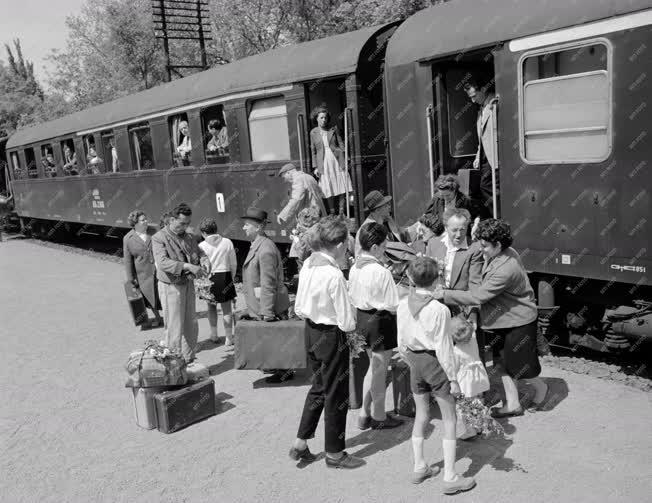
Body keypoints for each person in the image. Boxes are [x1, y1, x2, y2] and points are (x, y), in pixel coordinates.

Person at [434, 219, 548, 417]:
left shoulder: (506, 269)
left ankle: (541, 388)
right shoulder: (504, 252)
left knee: (519, 368)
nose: (481, 249)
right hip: (504, 319)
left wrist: (444, 294)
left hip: (517, 321)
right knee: (501, 363)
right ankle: (513, 404)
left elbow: (477, 296)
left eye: (485, 246)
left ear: (498, 245)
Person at [290, 216, 364, 470]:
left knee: (319, 388)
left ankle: (301, 442)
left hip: (310, 331)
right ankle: (334, 452)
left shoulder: (308, 263)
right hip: (332, 336)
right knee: (336, 394)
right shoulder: (333, 274)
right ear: (341, 244)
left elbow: (299, 307)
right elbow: (346, 320)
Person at [397, 257, 475, 493]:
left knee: (422, 414)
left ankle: (420, 466)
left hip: (413, 360)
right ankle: (450, 477)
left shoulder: (403, 303)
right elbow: (443, 347)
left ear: (410, 278)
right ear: (438, 279)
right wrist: (452, 379)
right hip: (434, 362)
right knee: (449, 418)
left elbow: (400, 339)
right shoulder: (439, 309)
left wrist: (408, 358)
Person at [349, 222, 403, 430]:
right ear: (374, 248)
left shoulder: (355, 267)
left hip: (363, 318)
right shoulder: (381, 272)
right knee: (379, 371)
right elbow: (392, 304)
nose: (385, 249)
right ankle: (379, 416)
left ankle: (364, 413)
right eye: (383, 246)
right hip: (381, 321)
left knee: (373, 369)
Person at [241, 206, 293, 383]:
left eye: (247, 225)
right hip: (265, 301)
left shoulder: (265, 249)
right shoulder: (259, 244)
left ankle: (284, 371)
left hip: (272, 303)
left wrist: (268, 311)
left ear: (258, 227)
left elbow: (268, 282)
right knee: (274, 339)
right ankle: (277, 367)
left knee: (277, 339)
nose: (244, 228)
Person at [426, 207, 485, 360]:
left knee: (469, 358)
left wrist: (473, 315)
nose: (458, 235)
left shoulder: (474, 249)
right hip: (439, 309)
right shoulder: (433, 244)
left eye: (463, 229)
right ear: (446, 228)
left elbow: (475, 287)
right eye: (454, 230)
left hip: (462, 311)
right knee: (443, 356)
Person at [152, 203, 206, 363]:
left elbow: (199, 251)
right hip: (170, 287)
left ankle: (189, 359)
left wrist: (204, 259)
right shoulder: (158, 238)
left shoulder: (188, 236)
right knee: (174, 327)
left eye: (188, 223)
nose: (185, 227)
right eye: (182, 223)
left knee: (191, 324)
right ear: (171, 220)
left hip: (187, 284)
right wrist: (187, 266)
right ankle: (173, 364)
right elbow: (162, 262)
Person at [198, 217, 237, 345]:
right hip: (225, 276)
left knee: (211, 307)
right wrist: (232, 277)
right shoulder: (227, 242)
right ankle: (229, 338)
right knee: (227, 309)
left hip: (209, 278)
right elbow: (233, 263)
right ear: (216, 229)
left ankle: (214, 334)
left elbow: (201, 266)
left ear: (203, 233)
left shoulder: (201, 245)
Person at [451, 317, 490, 440]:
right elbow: (473, 324)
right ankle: (479, 426)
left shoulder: (455, 350)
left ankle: (470, 430)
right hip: (478, 376)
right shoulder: (473, 339)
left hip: (465, 382)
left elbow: (455, 368)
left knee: (465, 406)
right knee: (477, 401)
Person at [464, 79, 500, 213]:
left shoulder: (494, 103)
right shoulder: (481, 109)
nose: (472, 101)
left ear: (483, 89)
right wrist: (478, 156)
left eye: (474, 96)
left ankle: (499, 216)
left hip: (495, 155)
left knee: (487, 186)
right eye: (470, 97)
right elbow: (483, 137)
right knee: (485, 187)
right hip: (485, 157)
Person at [309, 106, 353, 215]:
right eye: (321, 118)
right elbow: (313, 151)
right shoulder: (313, 132)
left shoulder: (333, 129)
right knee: (328, 187)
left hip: (336, 160)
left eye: (325, 118)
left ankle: (342, 211)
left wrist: (346, 158)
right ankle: (332, 212)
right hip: (323, 163)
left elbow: (341, 143)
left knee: (341, 185)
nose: (324, 120)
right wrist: (315, 168)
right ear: (316, 119)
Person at [123, 211, 163, 329]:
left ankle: (169, 316)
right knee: (149, 298)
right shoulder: (128, 238)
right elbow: (128, 260)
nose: (146, 221)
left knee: (162, 294)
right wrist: (131, 279)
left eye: (146, 219)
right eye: (142, 220)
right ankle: (158, 317)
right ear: (135, 223)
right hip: (143, 274)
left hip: (159, 270)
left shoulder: (154, 231)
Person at [354, 190, 405, 257]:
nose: (389, 207)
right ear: (377, 210)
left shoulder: (385, 221)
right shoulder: (368, 229)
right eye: (385, 205)